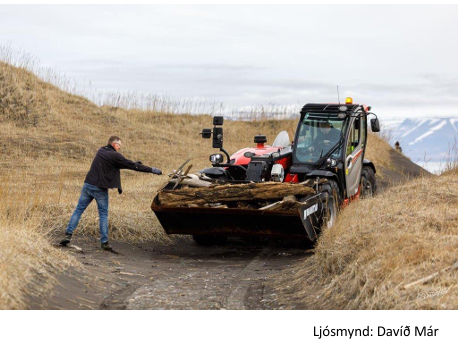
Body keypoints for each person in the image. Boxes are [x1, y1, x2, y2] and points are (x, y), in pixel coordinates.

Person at [59, 136, 162, 251]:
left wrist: (131, 163)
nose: (119, 148)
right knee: (103, 214)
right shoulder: (115, 155)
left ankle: (68, 234)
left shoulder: (101, 150)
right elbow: (132, 166)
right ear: (114, 144)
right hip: (100, 189)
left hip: (88, 185)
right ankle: (104, 242)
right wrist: (151, 170)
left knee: (78, 210)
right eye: (119, 145)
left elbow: (119, 163)